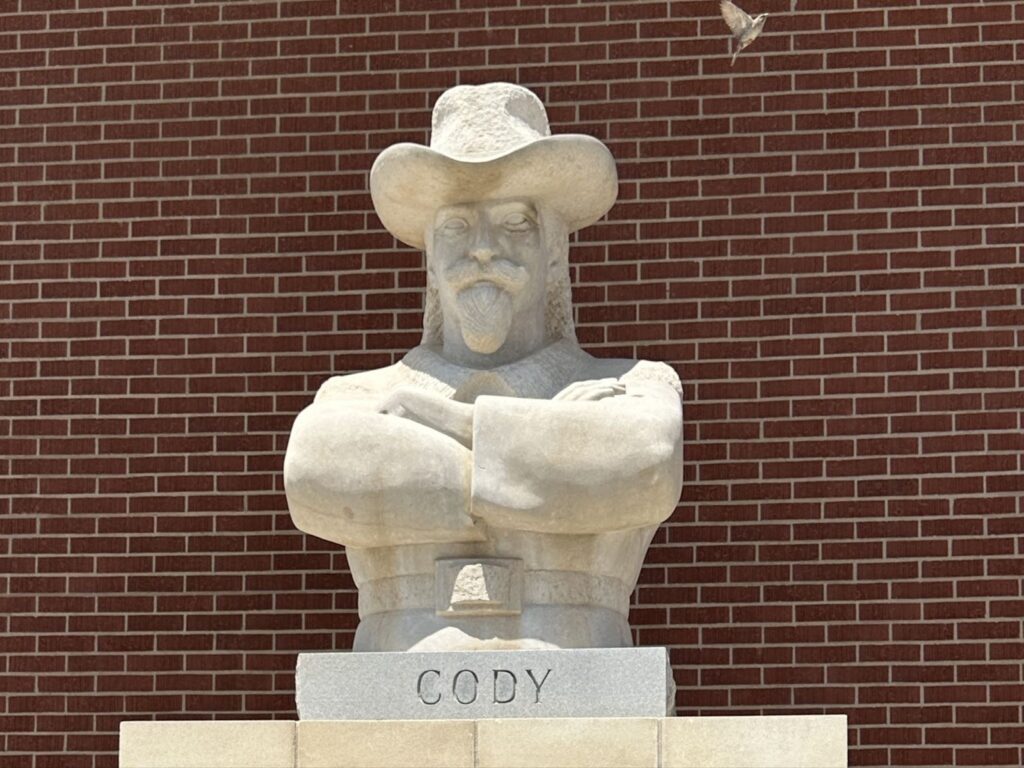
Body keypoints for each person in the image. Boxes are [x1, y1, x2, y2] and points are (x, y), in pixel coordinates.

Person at [284, 83, 683, 652]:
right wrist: (553, 460)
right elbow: (314, 475)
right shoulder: (351, 397)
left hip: (585, 698)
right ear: (430, 256)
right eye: (457, 228)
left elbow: (642, 467)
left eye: (514, 223)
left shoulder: (634, 385)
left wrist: (437, 422)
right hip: (387, 704)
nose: (483, 250)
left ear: (553, 251)